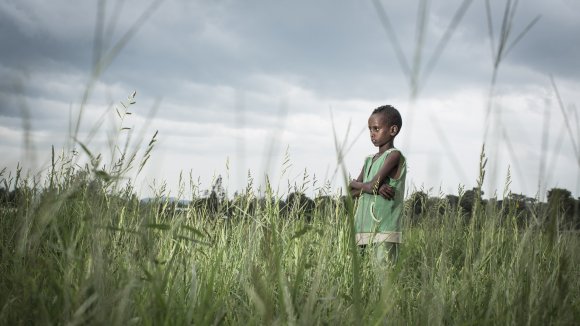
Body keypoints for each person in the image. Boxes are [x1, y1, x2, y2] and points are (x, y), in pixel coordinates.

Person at [349, 105, 406, 263]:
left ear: (392, 130)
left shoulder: (394, 156)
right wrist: (375, 187)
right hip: (362, 230)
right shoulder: (369, 160)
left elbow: (367, 186)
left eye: (376, 129)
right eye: (369, 129)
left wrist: (357, 183)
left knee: (383, 281)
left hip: (384, 231)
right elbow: (351, 193)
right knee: (363, 282)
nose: (372, 134)